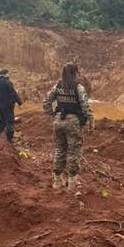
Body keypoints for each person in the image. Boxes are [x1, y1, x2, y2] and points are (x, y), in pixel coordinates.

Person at [43, 63, 92, 191]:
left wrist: (53, 114)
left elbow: (46, 102)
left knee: (59, 150)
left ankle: (57, 181)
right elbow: (85, 106)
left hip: (58, 121)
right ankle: (72, 185)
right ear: (75, 73)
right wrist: (89, 120)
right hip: (73, 122)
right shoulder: (78, 87)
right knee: (73, 153)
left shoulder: (57, 86)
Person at [0, 68, 22, 143]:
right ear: (6, 74)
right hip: (7, 106)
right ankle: (9, 141)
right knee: (9, 122)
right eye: (8, 73)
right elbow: (13, 93)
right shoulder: (7, 82)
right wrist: (19, 102)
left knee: (2, 122)